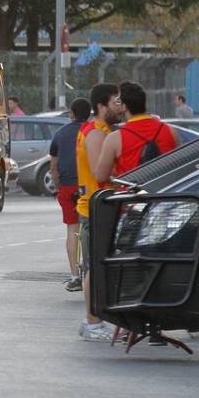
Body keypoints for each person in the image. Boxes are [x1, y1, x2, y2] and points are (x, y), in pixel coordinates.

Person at [75, 83, 124, 341]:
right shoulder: (95, 133)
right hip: (96, 208)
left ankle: (93, 321)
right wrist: (126, 180)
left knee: (97, 265)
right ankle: (93, 323)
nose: (120, 107)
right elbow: (98, 172)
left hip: (100, 207)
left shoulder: (102, 131)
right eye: (116, 102)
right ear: (101, 106)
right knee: (94, 267)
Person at [94, 81, 177, 182]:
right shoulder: (170, 130)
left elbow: (100, 177)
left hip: (132, 196)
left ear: (124, 107)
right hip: (166, 195)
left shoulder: (114, 138)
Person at [51, 98, 92, 292]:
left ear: (71, 113)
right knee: (91, 229)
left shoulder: (59, 134)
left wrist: (59, 187)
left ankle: (74, 275)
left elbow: (54, 166)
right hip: (90, 187)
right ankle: (91, 272)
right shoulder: (94, 131)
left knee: (72, 230)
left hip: (68, 187)